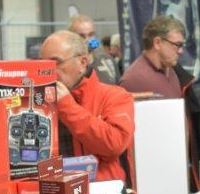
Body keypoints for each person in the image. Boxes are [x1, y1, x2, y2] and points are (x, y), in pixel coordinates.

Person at [39, 30, 135, 183]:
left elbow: (114, 144)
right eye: (42, 64)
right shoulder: (38, 100)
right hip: (52, 189)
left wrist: (67, 106)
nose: (47, 71)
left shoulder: (115, 96)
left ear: (82, 63)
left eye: (56, 63)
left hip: (100, 192)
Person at [119, 15, 192, 99]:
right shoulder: (133, 80)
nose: (181, 51)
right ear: (157, 43)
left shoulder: (171, 71)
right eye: (177, 45)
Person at [68, 13, 119, 84]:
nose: (87, 40)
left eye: (91, 35)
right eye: (81, 36)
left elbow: (118, 86)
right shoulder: (66, 64)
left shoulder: (107, 60)